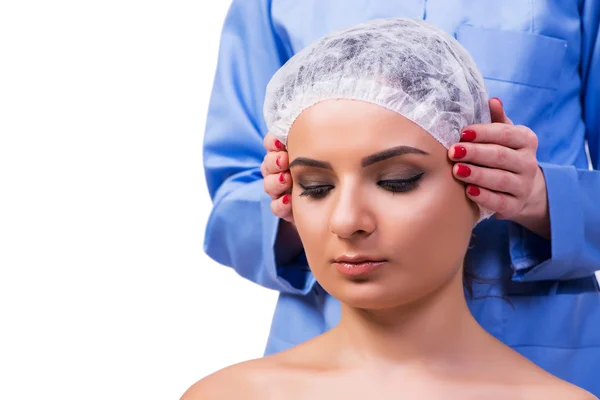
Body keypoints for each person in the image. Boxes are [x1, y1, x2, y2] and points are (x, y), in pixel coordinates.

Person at [202, 0, 600, 395]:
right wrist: (294, 203)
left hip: (546, 344)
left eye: (398, 180)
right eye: (316, 186)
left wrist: (541, 198)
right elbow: (234, 199)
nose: (348, 219)